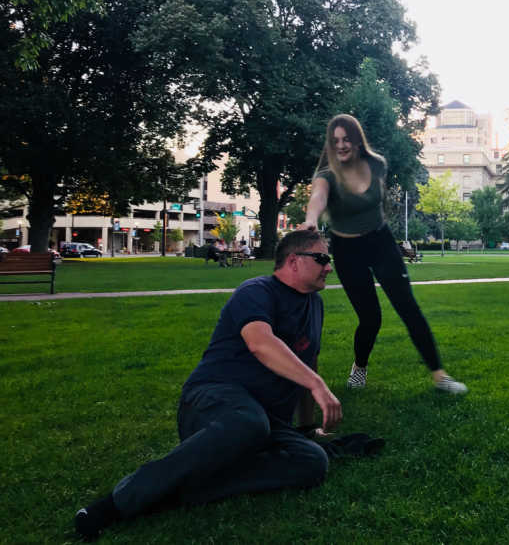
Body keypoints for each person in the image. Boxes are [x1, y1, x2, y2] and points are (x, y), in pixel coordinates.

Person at [74, 230, 342, 541]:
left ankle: (176, 491)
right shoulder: (256, 291)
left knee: (312, 462)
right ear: (294, 261)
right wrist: (319, 385)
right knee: (247, 422)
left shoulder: (315, 305)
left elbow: (308, 362)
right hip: (212, 403)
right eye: (322, 258)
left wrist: (308, 428)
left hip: (265, 422)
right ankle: (113, 505)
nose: (329, 267)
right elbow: (260, 343)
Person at [301, 114, 467, 395]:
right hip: (347, 249)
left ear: (356, 140)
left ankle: (440, 376)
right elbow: (318, 196)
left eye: (346, 139)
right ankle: (359, 368)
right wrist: (311, 219)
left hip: (380, 242)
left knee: (408, 307)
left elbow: (379, 201)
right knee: (370, 318)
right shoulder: (326, 175)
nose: (341, 145)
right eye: (335, 141)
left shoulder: (377, 164)